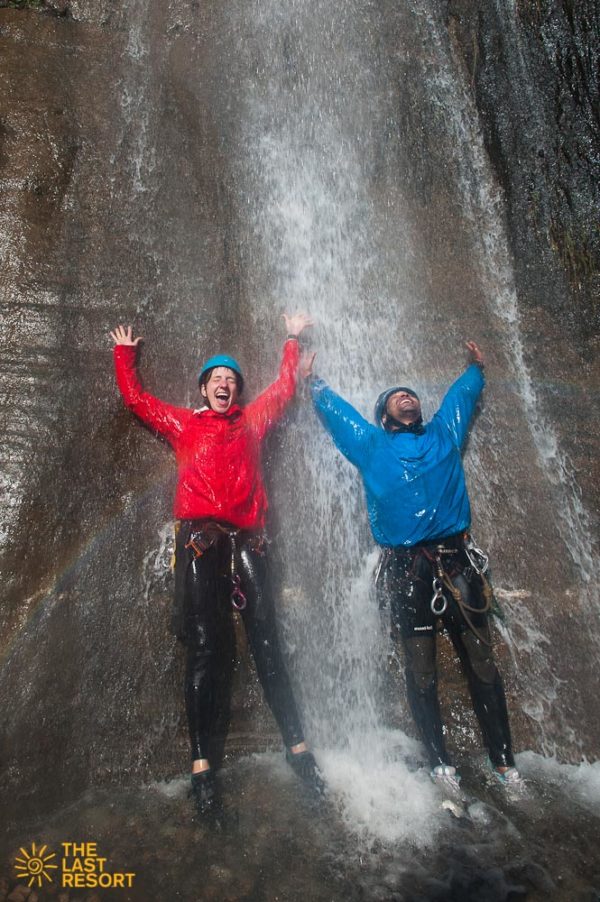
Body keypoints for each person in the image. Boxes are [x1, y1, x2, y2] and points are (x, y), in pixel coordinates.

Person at [110, 315, 322, 815]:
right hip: (201, 542)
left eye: (231, 381)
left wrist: (291, 339)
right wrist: (124, 357)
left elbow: (284, 389)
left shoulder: (252, 421)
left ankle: (298, 747)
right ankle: (202, 764)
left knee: (267, 636)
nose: (225, 385)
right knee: (207, 647)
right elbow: (137, 401)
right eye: (217, 380)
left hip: (247, 541)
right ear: (204, 388)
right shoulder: (186, 424)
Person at [311, 341, 522, 795]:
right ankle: (440, 763)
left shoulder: (444, 432)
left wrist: (476, 368)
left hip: (457, 561)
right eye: (396, 396)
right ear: (384, 416)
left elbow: (461, 397)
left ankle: (504, 763)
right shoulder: (370, 444)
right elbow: (336, 412)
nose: (407, 397)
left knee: (482, 663)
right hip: (407, 570)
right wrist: (312, 380)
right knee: (421, 669)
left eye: (411, 394)